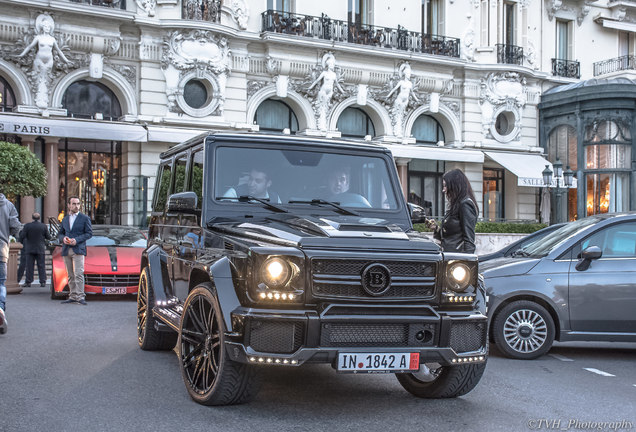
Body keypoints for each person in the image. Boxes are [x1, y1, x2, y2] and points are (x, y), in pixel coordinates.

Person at [426, 169, 478, 253]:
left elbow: (469, 240)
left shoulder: (465, 204)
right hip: (450, 256)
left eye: (445, 186)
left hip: (456, 259)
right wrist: (436, 228)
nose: (443, 190)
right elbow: (450, 237)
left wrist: (466, 262)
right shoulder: (458, 204)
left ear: (454, 186)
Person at [57, 197, 92, 305]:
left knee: (78, 274)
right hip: (66, 249)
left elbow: (89, 233)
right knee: (70, 274)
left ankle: (80, 296)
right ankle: (72, 295)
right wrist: (63, 239)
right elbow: (60, 233)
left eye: (78, 204)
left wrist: (76, 240)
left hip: (78, 249)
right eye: (74, 204)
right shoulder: (65, 219)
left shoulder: (84, 218)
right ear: (69, 205)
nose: (76, 206)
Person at [0, 192, 21, 334]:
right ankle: (0, 308)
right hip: (1, 250)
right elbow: (15, 227)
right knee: (0, 283)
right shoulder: (7, 204)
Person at [19, 212, 51, 288]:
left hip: (29, 248)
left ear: (32, 218)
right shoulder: (43, 226)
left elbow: (22, 236)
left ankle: (28, 282)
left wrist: (21, 242)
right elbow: (48, 237)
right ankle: (42, 281)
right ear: (39, 218)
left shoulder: (27, 226)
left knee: (29, 266)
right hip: (40, 248)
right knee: (41, 265)